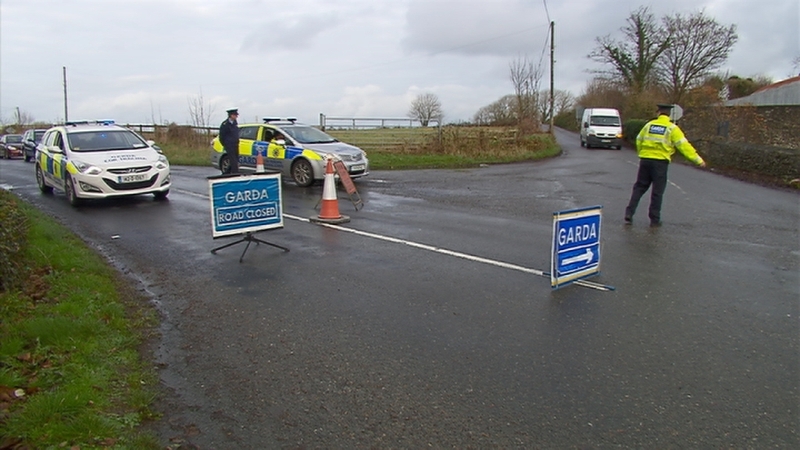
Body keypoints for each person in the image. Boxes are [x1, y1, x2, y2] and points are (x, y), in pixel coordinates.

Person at [624, 104, 706, 227]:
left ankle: (629, 213)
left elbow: (639, 139)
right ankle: (654, 219)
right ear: (669, 115)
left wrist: (642, 153)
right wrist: (698, 160)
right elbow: (684, 146)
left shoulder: (649, 125)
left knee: (639, 187)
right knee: (657, 191)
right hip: (660, 162)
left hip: (645, 160)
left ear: (658, 113)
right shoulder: (672, 128)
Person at [219, 108, 240, 173]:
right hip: (229, 145)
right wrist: (225, 144)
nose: (236, 116)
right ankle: (235, 175)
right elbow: (222, 136)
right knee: (233, 161)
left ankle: (226, 173)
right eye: (235, 115)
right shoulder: (225, 124)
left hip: (235, 144)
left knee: (235, 160)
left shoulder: (235, 123)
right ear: (231, 115)